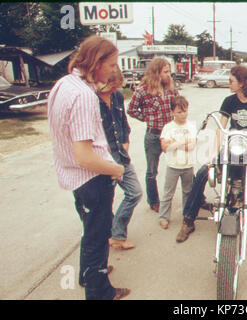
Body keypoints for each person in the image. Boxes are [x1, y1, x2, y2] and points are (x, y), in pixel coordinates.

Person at [47, 35, 130, 300]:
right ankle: (99, 292)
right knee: (97, 237)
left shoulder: (64, 84)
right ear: (96, 62)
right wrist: (116, 169)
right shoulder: (84, 96)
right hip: (91, 179)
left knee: (90, 230)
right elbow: (84, 156)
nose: (113, 70)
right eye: (111, 64)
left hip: (73, 177)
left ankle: (88, 273)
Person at [176, 65, 247, 249]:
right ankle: (188, 220)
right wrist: (214, 153)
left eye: (231, 81)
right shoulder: (228, 101)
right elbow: (221, 128)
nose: (228, 83)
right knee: (202, 173)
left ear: (243, 83)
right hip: (232, 146)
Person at [96, 67, 142, 250]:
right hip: (102, 159)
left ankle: (116, 233)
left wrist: (125, 143)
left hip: (120, 154)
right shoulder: (90, 100)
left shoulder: (117, 97)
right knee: (104, 203)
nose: (114, 90)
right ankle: (107, 241)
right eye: (111, 87)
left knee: (135, 192)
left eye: (117, 87)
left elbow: (123, 123)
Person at [127, 58, 178, 213]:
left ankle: (194, 196)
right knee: (151, 171)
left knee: (181, 165)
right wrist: (146, 118)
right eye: (165, 72)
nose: (169, 75)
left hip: (170, 135)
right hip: (153, 136)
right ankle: (154, 201)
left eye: (169, 71)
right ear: (156, 73)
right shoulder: (143, 90)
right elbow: (132, 109)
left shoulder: (170, 89)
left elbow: (178, 104)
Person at [158, 96, 197, 229]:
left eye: (185, 111)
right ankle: (163, 217)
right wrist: (183, 142)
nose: (183, 114)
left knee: (188, 192)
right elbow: (165, 147)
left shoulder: (191, 126)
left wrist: (174, 142)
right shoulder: (168, 127)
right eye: (179, 112)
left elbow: (192, 146)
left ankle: (186, 216)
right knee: (168, 193)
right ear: (172, 112)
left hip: (188, 165)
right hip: (173, 165)